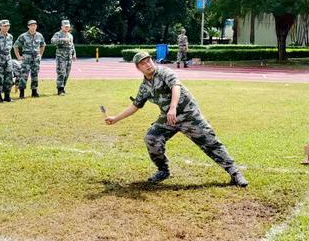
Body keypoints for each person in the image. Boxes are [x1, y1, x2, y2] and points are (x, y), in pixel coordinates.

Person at [105, 51, 248, 187]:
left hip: (188, 115)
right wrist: (115, 119)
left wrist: (172, 107)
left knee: (211, 142)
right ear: (138, 68)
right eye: (143, 63)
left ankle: (234, 173)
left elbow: (175, 86)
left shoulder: (165, 72)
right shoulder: (144, 87)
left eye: (149, 60)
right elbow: (135, 106)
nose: (148, 64)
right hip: (168, 119)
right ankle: (163, 170)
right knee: (151, 138)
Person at [14, 20, 45, 98]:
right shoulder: (23, 36)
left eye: (34, 25)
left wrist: (40, 55)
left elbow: (43, 45)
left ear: (36, 26)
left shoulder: (39, 35)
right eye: (31, 25)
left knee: (35, 74)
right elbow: (15, 46)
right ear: (28, 26)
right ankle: (22, 93)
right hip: (26, 58)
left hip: (36, 58)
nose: (33, 26)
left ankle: (34, 92)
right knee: (24, 75)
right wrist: (18, 56)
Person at [0, 19, 15, 103]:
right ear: (0, 26)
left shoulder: (10, 36)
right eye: (4, 26)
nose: (6, 27)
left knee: (9, 79)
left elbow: (9, 49)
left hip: (8, 60)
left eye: (8, 26)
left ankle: (7, 97)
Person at [51, 20, 76, 96]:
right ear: (62, 27)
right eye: (65, 26)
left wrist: (74, 54)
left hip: (69, 58)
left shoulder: (70, 35)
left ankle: (63, 88)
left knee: (67, 74)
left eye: (68, 26)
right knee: (61, 73)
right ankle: (60, 89)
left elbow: (72, 46)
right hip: (61, 57)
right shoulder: (58, 34)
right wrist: (62, 39)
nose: (67, 27)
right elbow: (52, 41)